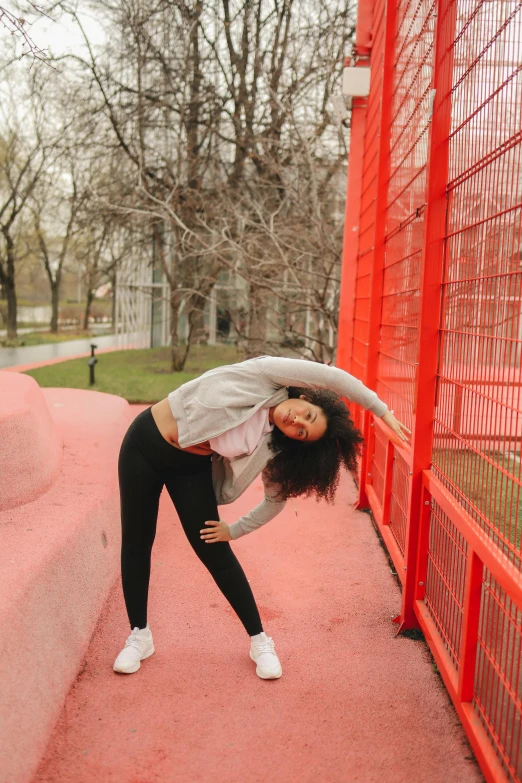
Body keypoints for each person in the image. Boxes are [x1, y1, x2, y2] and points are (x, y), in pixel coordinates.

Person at [113, 355, 410, 679]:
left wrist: (235, 530)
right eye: (307, 415)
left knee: (215, 552)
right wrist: (380, 409)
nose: (297, 421)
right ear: (307, 398)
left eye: (302, 431)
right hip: (143, 444)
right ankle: (139, 635)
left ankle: (260, 641)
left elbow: (275, 501)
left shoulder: (273, 445)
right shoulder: (266, 376)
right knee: (136, 543)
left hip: (189, 468)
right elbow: (330, 376)